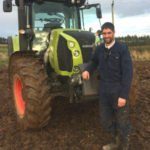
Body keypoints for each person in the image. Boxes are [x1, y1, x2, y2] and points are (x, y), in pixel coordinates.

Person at [82, 22, 133, 150]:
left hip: (118, 90)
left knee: (122, 121)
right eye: (104, 33)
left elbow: (128, 74)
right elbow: (93, 62)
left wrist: (123, 95)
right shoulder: (99, 49)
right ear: (102, 34)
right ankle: (114, 142)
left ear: (114, 33)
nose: (106, 35)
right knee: (105, 120)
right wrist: (87, 70)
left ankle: (124, 146)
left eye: (109, 33)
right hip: (104, 90)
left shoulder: (122, 49)